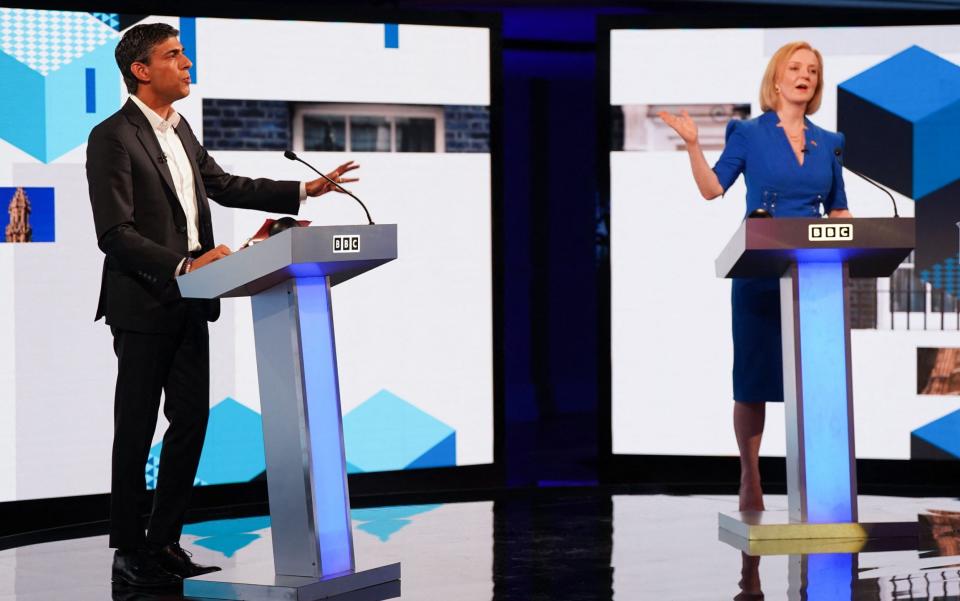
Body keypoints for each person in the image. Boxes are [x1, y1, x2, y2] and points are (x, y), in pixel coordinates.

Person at [87, 23, 359, 588]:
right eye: (174, 55)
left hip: (194, 301)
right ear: (141, 70)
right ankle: (126, 550)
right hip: (144, 302)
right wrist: (183, 264)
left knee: (190, 422)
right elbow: (115, 232)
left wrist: (303, 191)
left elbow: (225, 184)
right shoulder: (112, 136)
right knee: (134, 430)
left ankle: (163, 543)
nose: (186, 64)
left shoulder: (180, 130)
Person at [660, 41, 852, 512]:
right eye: (795, 67)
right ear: (778, 77)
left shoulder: (830, 142)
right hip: (759, 274)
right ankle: (750, 473)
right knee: (754, 378)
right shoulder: (746, 132)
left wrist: (845, 230)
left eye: (812, 70)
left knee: (815, 379)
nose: (804, 75)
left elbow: (841, 209)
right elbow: (712, 189)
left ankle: (815, 480)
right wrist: (691, 145)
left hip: (812, 278)